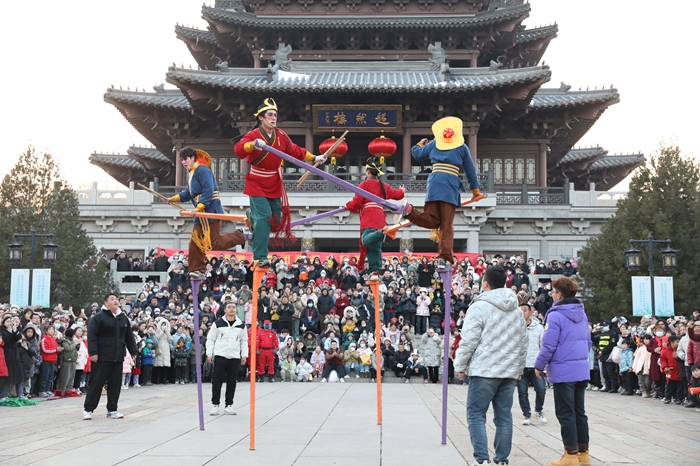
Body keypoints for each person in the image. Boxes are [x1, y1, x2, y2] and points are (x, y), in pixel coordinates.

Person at [234, 98, 325, 268]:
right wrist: (252, 145)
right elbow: (238, 150)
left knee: (277, 222)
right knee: (264, 218)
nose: (273, 118)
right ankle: (260, 256)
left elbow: (295, 151)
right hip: (257, 182)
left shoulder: (281, 135)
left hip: (274, 182)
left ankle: (251, 217)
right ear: (261, 117)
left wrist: (314, 158)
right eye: (270, 114)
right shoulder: (253, 135)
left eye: (275, 115)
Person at [454, 265, 527, 466]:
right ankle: (502, 460)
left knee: (476, 414)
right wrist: (519, 368)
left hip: (484, 369)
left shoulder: (479, 306)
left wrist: (460, 364)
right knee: (504, 416)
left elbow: (468, 340)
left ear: (485, 283)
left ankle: (482, 459)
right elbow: (523, 342)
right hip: (508, 371)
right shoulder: (517, 310)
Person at [402, 117, 480, 268]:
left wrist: (420, 143)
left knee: (432, 219)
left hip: (434, 182)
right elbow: (470, 170)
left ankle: (410, 211)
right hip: (449, 184)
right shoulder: (462, 147)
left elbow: (417, 154)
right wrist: (475, 190)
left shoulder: (434, 144)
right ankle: (444, 257)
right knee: (446, 224)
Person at [534, 277, 591, 466]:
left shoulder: (555, 315)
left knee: (566, 412)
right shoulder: (582, 315)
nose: (551, 295)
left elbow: (548, 345)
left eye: (552, 292)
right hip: (580, 369)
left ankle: (570, 455)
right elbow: (588, 342)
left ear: (559, 295)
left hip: (563, 370)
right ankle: (583, 453)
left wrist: (539, 365)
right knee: (579, 412)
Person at [169, 147, 245, 277]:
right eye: (181, 160)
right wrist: (174, 199)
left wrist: (199, 207)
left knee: (214, 243)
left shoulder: (203, 170)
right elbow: (189, 193)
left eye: (185, 159)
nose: (183, 162)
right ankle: (197, 269)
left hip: (210, 210)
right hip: (200, 213)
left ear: (193, 158)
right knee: (194, 242)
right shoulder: (191, 173)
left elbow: (208, 190)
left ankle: (240, 236)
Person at [345, 156, 405, 280]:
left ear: (367, 172)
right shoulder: (384, 186)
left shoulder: (364, 184)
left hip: (369, 216)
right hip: (380, 218)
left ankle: (383, 232)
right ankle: (375, 272)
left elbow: (356, 202)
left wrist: (347, 206)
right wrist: (402, 190)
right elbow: (397, 194)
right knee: (374, 248)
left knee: (366, 240)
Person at [83, 293, 138, 421]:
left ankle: (112, 409)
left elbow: (129, 336)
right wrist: (93, 352)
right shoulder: (98, 318)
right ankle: (88, 409)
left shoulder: (123, 318)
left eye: (116, 299)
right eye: (112, 299)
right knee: (97, 383)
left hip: (118, 355)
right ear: (106, 302)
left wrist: (133, 351)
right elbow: (92, 336)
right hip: (102, 355)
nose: (116, 301)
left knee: (115, 384)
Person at [206, 302, 248, 415]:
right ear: (225, 310)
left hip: (234, 356)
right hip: (220, 355)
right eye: (229, 307)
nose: (231, 309)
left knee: (232, 381)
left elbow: (244, 341)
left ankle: (229, 405)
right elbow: (210, 339)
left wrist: (244, 355)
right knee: (217, 381)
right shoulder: (218, 323)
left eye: (233, 307)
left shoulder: (241, 325)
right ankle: (215, 405)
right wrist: (209, 354)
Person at [517, 302, 547, 426]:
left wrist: (542, 363)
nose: (522, 313)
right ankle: (526, 414)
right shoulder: (515, 328)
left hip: (535, 365)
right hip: (521, 365)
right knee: (522, 391)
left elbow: (543, 345)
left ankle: (538, 410)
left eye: (525, 310)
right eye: (520, 310)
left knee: (541, 389)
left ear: (530, 312)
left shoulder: (538, 328)